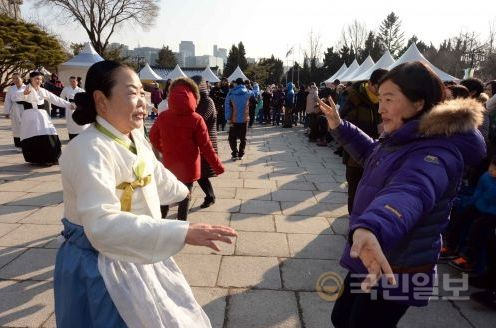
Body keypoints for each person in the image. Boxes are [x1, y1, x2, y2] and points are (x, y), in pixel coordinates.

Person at [54, 60, 237, 327]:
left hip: (139, 246)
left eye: (142, 92)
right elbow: (102, 226)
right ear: (101, 101)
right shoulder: (88, 149)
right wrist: (181, 231)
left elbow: (152, 172)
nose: (142, 101)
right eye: (131, 92)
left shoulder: (132, 135)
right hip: (100, 264)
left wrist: (180, 190)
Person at [318, 61, 486, 327]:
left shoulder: (434, 151)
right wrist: (341, 127)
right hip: (375, 254)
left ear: (418, 103)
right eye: (379, 98)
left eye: (389, 99)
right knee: (341, 318)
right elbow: (374, 155)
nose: (380, 107)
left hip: (399, 267)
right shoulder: (407, 136)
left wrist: (372, 227)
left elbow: (411, 190)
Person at [150, 77, 224, 220]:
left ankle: (159, 224)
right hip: (189, 168)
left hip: (169, 164)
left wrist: (164, 150)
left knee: (165, 195)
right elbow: (206, 146)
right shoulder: (196, 118)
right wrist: (218, 166)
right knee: (185, 198)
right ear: (193, 96)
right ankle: (181, 226)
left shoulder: (163, 116)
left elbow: (153, 137)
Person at [340, 68, 388, 213]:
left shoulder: (384, 99)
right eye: (379, 87)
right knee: (354, 190)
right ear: (371, 84)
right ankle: (353, 224)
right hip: (355, 154)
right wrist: (375, 128)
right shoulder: (355, 97)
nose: (382, 91)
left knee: (373, 192)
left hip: (379, 153)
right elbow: (344, 124)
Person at [12, 71, 73, 165]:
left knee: (49, 134)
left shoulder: (42, 90)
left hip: (42, 116)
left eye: (40, 79)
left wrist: (69, 105)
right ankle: (38, 159)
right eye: (36, 79)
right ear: (31, 79)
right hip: (30, 117)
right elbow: (15, 97)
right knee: (33, 136)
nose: (39, 81)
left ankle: (53, 157)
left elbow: (55, 99)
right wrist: (24, 94)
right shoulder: (25, 89)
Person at [191, 75, 220, 208]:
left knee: (200, 173)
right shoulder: (197, 101)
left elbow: (199, 119)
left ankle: (210, 196)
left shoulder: (207, 102)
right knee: (196, 172)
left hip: (206, 142)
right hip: (198, 141)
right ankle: (208, 196)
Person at [225, 78, 253, 161]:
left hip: (234, 119)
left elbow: (228, 107)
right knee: (243, 138)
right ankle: (241, 154)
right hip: (245, 119)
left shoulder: (230, 94)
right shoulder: (249, 93)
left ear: (236, 84)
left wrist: (228, 118)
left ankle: (235, 153)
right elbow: (255, 102)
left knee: (232, 138)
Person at [3, 73, 26, 150]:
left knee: (26, 126)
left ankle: (26, 144)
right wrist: (6, 112)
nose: (15, 80)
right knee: (16, 127)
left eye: (17, 78)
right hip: (15, 108)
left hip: (26, 108)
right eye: (13, 79)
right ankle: (18, 145)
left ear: (21, 79)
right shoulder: (11, 88)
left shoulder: (27, 87)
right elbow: (7, 101)